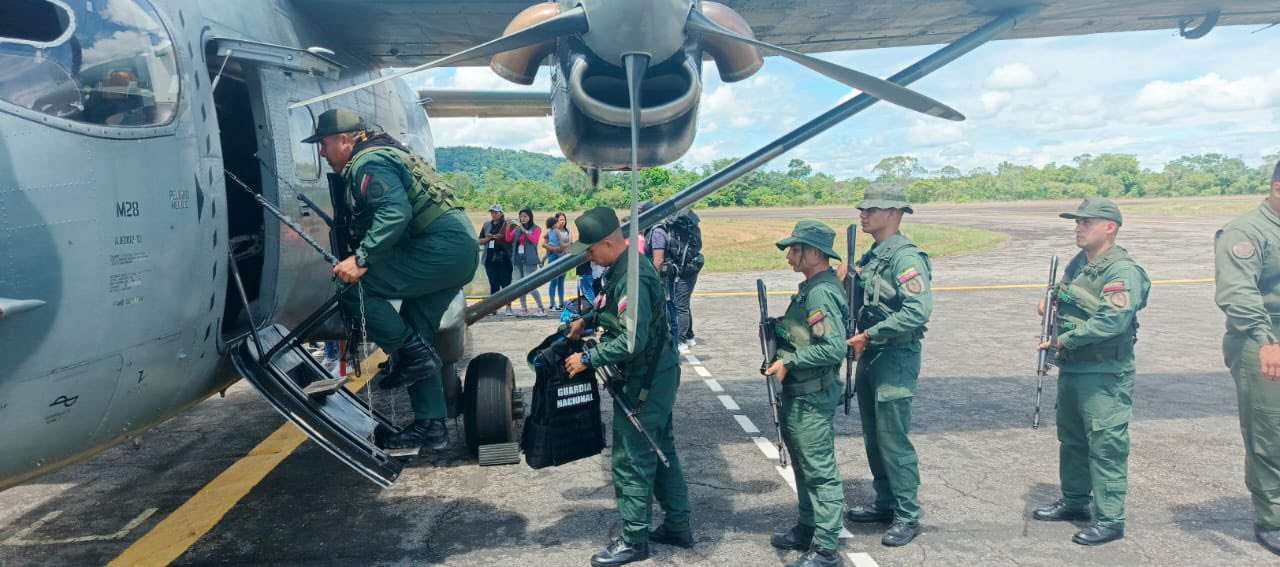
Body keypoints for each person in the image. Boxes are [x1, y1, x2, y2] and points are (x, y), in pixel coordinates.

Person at [304, 107, 477, 452]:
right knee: (416, 329)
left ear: (343, 140)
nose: (321, 152)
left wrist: (362, 258)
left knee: (352, 288)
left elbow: (394, 212)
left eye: (323, 144)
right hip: (455, 250)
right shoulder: (386, 151)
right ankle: (431, 427)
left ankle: (410, 357)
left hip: (440, 249)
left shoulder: (368, 163)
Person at [563, 207, 692, 567]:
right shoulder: (623, 269)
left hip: (645, 381)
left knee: (632, 458)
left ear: (608, 242)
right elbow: (613, 314)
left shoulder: (632, 278)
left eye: (590, 250)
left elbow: (631, 340)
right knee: (661, 449)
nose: (588, 256)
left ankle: (633, 539)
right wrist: (586, 321)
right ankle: (678, 526)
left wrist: (587, 359)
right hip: (653, 375)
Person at [1030, 197, 1150, 546]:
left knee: (1106, 443)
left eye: (1086, 222)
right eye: (1077, 222)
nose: (1078, 228)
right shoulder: (1080, 262)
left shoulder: (1123, 271)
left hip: (1104, 372)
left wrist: (1063, 340)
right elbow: (1063, 292)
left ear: (1109, 227)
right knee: (1073, 439)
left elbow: (1112, 320)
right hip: (1074, 369)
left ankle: (1111, 519)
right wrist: (1050, 302)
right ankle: (1075, 501)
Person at [842, 184, 931, 547]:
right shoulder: (876, 254)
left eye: (872, 209)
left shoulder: (905, 257)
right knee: (874, 436)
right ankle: (885, 502)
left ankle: (908, 514)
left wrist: (871, 334)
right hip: (874, 354)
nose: (864, 214)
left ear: (894, 213)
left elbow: (917, 311)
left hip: (894, 355)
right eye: (863, 208)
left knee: (893, 439)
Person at [764, 221, 850, 567]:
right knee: (802, 465)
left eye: (795, 249)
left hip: (811, 396)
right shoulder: (811, 288)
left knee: (818, 469)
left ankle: (827, 547)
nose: (789, 257)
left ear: (815, 254)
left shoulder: (820, 293)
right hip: (800, 392)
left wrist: (791, 360)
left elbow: (832, 348)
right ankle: (808, 526)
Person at [1214, 161, 1280, 557]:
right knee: (1270, 433)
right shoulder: (1246, 232)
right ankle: (1272, 520)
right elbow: (1237, 293)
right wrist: (1265, 340)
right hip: (1264, 336)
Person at [640, 203, 680, 348]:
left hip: (662, 277)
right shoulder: (651, 230)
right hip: (660, 276)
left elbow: (658, 259)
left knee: (668, 310)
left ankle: (674, 347)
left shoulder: (656, 232)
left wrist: (651, 280)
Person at [667, 210, 704, 351]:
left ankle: (681, 340)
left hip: (685, 272)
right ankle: (689, 336)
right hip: (690, 270)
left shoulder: (680, 233)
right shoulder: (692, 231)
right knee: (684, 303)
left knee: (680, 305)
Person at [506, 208, 546, 317]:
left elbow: (534, 240)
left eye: (525, 216)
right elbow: (509, 239)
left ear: (530, 217)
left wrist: (523, 229)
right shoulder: (517, 229)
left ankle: (541, 308)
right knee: (520, 286)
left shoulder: (536, 228)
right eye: (521, 216)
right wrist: (508, 226)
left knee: (530, 285)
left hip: (530, 260)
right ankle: (524, 309)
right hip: (518, 260)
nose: (522, 218)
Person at [478, 204, 515, 315]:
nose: (493, 214)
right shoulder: (486, 225)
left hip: (504, 258)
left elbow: (511, 239)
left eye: (496, 212)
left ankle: (508, 308)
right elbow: (480, 240)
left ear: (501, 213)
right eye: (492, 212)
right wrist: (488, 238)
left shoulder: (507, 224)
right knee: (493, 283)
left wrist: (501, 237)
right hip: (490, 259)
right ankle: (493, 308)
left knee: (506, 283)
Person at [543, 212, 571, 310]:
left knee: (561, 281)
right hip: (554, 257)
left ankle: (561, 302)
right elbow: (544, 242)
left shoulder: (566, 231)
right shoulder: (553, 231)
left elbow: (566, 244)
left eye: (564, 219)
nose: (563, 221)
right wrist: (552, 248)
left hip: (564, 257)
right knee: (553, 280)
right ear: (556, 221)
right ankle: (552, 303)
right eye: (560, 220)